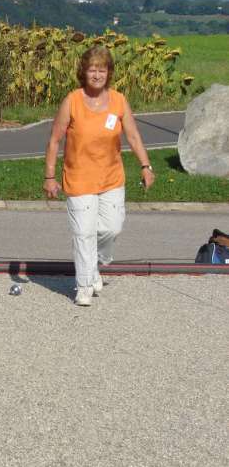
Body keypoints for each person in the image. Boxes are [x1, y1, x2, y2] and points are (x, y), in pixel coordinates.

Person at [44, 46, 155, 306]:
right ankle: (83, 285)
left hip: (111, 178)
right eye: (92, 69)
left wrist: (146, 166)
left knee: (110, 228)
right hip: (79, 178)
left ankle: (94, 263)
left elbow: (134, 136)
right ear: (83, 72)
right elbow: (54, 140)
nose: (96, 75)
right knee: (83, 233)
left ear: (109, 73)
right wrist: (50, 176)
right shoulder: (72, 100)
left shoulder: (118, 101)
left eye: (101, 70)